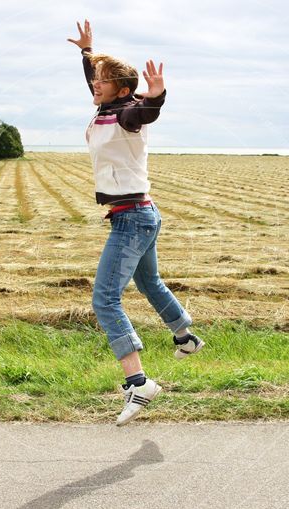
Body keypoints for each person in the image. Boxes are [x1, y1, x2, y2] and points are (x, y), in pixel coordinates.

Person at [67, 19, 205, 426]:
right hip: (138, 215)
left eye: (104, 80)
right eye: (95, 79)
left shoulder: (129, 113)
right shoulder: (107, 107)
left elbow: (144, 110)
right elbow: (97, 84)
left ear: (123, 90)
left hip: (133, 220)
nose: (96, 83)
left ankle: (138, 382)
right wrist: (87, 53)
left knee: (105, 298)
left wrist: (158, 95)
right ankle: (186, 336)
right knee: (148, 282)